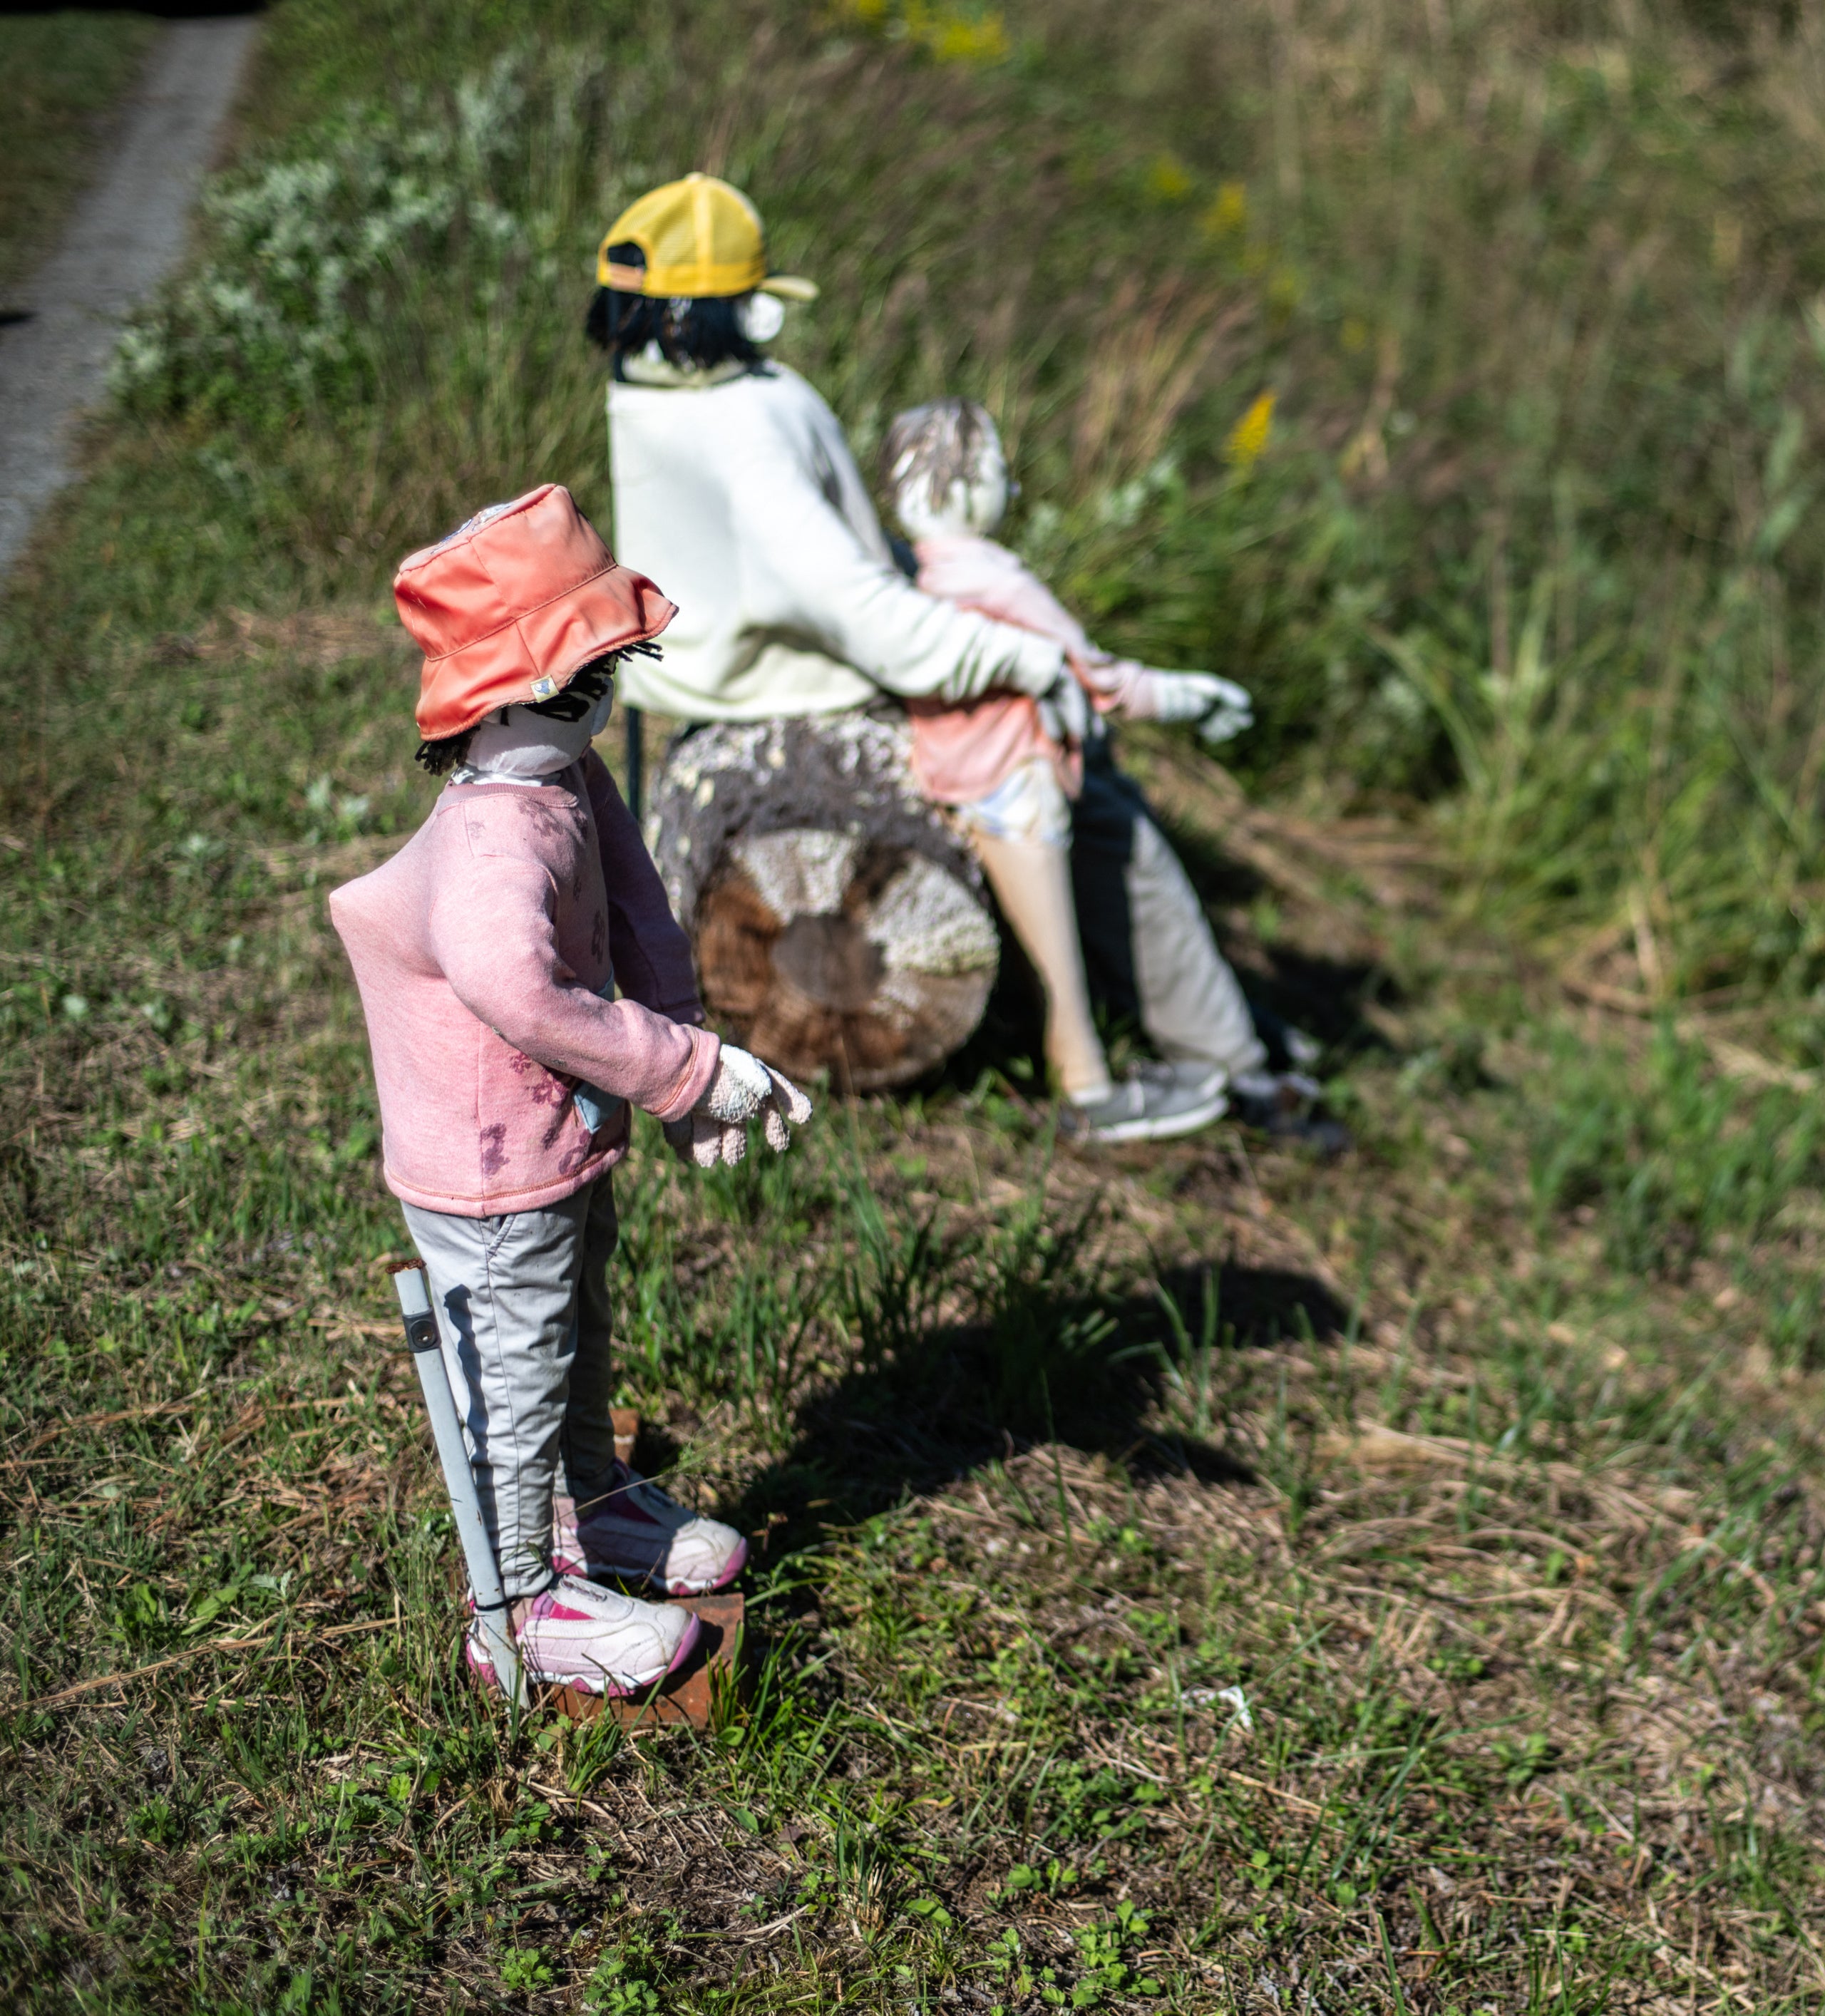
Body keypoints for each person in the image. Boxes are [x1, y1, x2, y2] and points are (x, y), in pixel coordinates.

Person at [587, 174, 1229, 1141]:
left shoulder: (640, 392)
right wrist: (1023, 657)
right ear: (729, 310)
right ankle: (1181, 1064)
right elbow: (863, 615)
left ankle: (1203, 1047)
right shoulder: (749, 419)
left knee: (1092, 801)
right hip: (795, 689)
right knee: (1097, 808)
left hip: (710, 682)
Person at [331, 485, 813, 1696]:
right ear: (501, 694)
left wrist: (685, 1059)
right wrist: (691, 1070)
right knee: (513, 1359)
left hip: (560, 1140)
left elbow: (638, 906)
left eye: (607, 672)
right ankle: (519, 1601)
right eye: (578, 679)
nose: (600, 702)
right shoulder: (499, 837)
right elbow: (523, 992)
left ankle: (588, 1504)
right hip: (492, 1165)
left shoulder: (564, 777)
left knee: (574, 1329)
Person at [880, 398, 1313, 1133]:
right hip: (1019, 786)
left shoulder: (905, 578)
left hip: (947, 773)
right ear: (970, 481)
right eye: (1001, 470)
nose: (1013, 489)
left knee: (1047, 954)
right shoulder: (998, 579)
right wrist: (1186, 695)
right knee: (1061, 968)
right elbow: (1099, 677)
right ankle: (1089, 1088)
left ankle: (1117, 1063)